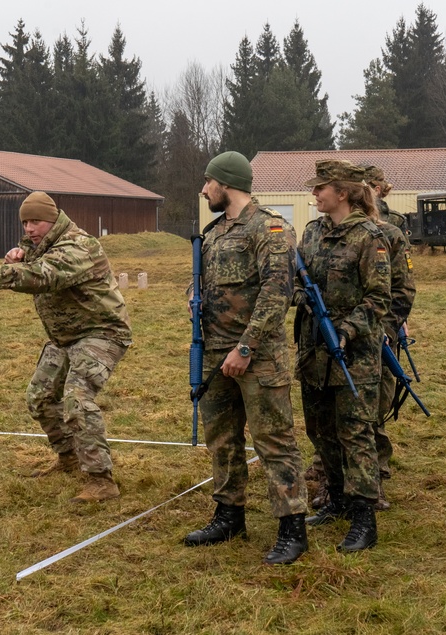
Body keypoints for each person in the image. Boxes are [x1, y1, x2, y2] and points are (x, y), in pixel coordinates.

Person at [0, 191, 132, 503]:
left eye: (35, 221)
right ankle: (69, 459)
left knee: (76, 399)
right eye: (25, 222)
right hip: (65, 338)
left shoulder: (78, 245)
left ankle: (101, 481)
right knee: (39, 397)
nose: (28, 228)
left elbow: (45, 275)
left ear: (53, 220)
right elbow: (32, 268)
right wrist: (18, 257)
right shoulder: (40, 246)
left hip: (101, 333)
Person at [182, 151, 308, 566]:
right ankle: (229, 515)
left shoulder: (269, 228)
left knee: (273, 441)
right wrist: (192, 297)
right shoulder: (215, 232)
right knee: (222, 439)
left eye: (208, 182)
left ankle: (292, 528)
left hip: (257, 357)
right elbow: (202, 279)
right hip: (214, 353)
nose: (204, 190)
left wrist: (246, 347)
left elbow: (277, 293)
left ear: (227, 183)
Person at [297, 159, 390, 552]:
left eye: (321, 188)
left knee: (356, 435)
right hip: (313, 350)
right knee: (320, 431)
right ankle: (335, 499)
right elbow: (297, 281)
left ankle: (363, 517)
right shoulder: (312, 232)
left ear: (344, 193)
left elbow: (378, 298)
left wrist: (346, 331)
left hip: (355, 355)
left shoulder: (370, 237)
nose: (315, 194)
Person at [363, 165, 416, 510]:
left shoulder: (392, 226)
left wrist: (395, 323)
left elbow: (402, 282)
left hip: (382, 326)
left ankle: (377, 469)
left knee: (377, 402)